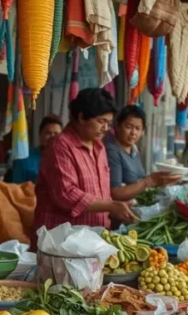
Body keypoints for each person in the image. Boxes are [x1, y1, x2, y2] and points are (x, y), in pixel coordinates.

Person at [32, 88, 136, 234]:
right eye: (101, 121)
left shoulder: (99, 146)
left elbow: (101, 194)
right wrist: (110, 206)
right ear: (81, 117)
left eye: (109, 123)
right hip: (62, 242)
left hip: (94, 237)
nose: (106, 128)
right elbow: (66, 194)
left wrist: (116, 208)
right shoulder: (59, 146)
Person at [105, 105, 180, 199]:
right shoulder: (112, 151)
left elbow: (139, 180)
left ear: (143, 132)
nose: (133, 133)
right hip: (123, 210)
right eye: (128, 127)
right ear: (117, 125)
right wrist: (150, 180)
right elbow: (115, 193)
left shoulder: (134, 149)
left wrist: (162, 180)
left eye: (138, 128)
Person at [11, 115, 63, 184]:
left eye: (56, 134)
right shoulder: (24, 158)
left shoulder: (66, 160)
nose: (52, 137)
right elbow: (16, 189)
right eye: (48, 133)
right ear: (40, 135)